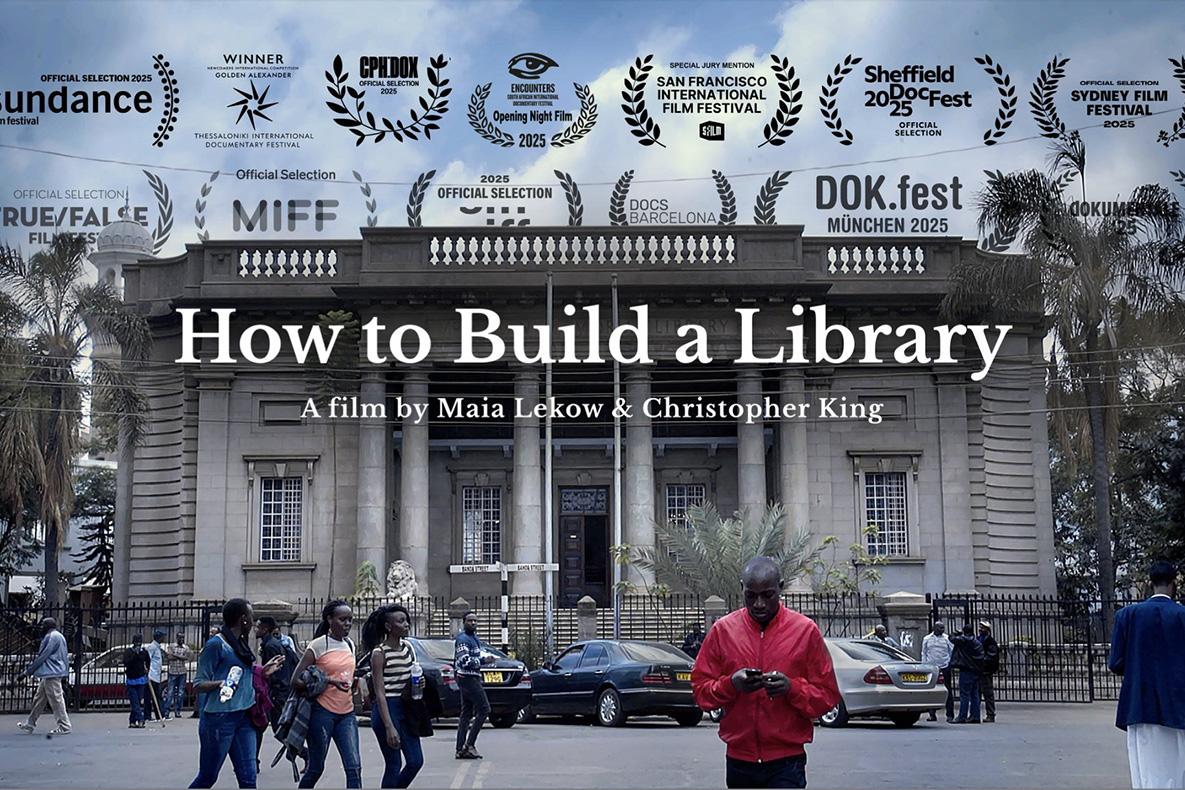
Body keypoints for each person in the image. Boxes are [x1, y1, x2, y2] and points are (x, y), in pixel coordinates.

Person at [692, 557, 841, 788]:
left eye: (767, 595)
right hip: (739, 760)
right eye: (751, 596)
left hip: (787, 761)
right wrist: (731, 684)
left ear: (780, 587)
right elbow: (701, 692)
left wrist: (791, 688)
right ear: (742, 589)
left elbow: (827, 697)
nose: (759, 604)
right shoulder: (723, 630)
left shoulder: (805, 631)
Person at [190, 598, 283, 789]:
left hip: (244, 716)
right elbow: (198, 683)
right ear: (243, 619)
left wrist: (263, 671)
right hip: (219, 719)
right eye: (251, 616)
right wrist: (222, 683)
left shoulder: (240, 643)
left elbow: (243, 672)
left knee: (249, 779)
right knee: (207, 777)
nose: (253, 622)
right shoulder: (216, 645)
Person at [1109, 560, 1185, 788]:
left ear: (1150, 584)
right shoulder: (1181, 615)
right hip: (1179, 704)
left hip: (1140, 703)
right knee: (1178, 768)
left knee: (1146, 771)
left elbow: (1116, 663)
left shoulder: (1127, 615)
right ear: (1173, 584)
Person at [293, 600, 361, 789]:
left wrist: (354, 683)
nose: (348, 624)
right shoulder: (318, 645)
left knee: (354, 768)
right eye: (342, 619)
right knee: (316, 768)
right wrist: (329, 681)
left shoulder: (350, 644)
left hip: (347, 713)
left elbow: (347, 673)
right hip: (322, 712)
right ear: (330, 620)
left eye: (350, 619)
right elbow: (295, 680)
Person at [362, 604, 426, 788]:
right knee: (393, 764)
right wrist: (389, 726)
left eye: (406, 620)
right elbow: (380, 692)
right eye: (401, 621)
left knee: (415, 761)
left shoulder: (408, 648)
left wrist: (419, 682)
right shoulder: (379, 653)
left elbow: (409, 676)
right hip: (387, 709)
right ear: (389, 626)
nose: (406, 624)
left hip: (406, 707)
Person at [16, 617, 72, 735]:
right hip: (53, 672)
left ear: (48, 626)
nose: (41, 627)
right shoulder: (59, 636)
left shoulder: (51, 637)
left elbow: (43, 656)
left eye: (43, 625)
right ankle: (30, 723)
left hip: (51, 672)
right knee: (39, 699)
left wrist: (27, 672)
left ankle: (64, 726)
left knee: (56, 700)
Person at [254, 617, 297, 765]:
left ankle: (304, 753)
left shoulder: (270, 646)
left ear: (265, 629)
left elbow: (274, 671)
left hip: (275, 693)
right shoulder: (271, 644)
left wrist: (270, 690)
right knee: (259, 726)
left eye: (258, 627)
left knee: (277, 729)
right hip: (276, 691)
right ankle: (254, 761)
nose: (255, 629)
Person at [454, 611, 495, 760]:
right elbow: (464, 661)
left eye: (475, 621)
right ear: (464, 622)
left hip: (472, 677)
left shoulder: (474, 639)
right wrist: (483, 661)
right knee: (484, 709)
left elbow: (476, 656)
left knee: (466, 713)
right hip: (468, 678)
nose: (473, 623)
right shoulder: (463, 639)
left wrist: (486, 659)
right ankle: (469, 745)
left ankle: (460, 748)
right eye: (470, 621)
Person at [950, 623, 985, 724]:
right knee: (974, 694)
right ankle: (975, 716)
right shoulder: (977, 642)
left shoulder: (964, 640)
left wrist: (956, 633)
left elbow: (951, 638)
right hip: (976, 671)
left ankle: (962, 716)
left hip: (966, 670)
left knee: (964, 694)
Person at [921, 621, 954, 722]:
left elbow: (951, 651)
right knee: (931, 691)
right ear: (934, 628)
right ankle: (932, 714)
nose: (942, 630)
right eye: (940, 628)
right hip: (931, 668)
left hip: (944, 667)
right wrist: (924, 665)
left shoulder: (947, 638)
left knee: (947, 690)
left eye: (943, 628)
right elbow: (924, 652)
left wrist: (949, 663)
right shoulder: (927, 639)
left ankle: (950, 715)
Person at [123, 634, 150, 729]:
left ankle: (132, 721)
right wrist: (134, 654)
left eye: (139, 643)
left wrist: (147, 669)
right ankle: (140, 719)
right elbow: (126, 662)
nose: (138, 645)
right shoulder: (128, 652)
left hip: (141, 680)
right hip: (131, 680)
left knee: (137, 702)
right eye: (136, 642)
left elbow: (148, 661)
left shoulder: (144, 652)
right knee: (134, 702)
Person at [165, 632, 193, 719]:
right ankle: (166, 711)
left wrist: (175, 655)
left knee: (180, 693)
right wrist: (181, 657)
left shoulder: (186, 648)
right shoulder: (172, 646)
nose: (181, 639)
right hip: (172, 672)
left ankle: (178, 711)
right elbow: (169, 657)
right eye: (180, 638)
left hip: (182, 672)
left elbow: (188, 658)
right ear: (177, 638)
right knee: (170, 692)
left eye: (183, 638)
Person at [978, 621, 1000, 723]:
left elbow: (991, 656)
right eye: (980, 627)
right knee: (976, 693)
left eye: (982, 628)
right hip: (979, 670)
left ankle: (990, 714)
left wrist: (981, 661)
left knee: (988, 694)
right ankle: (975, 714)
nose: (980, 629)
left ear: (987, 630)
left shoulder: (990, 642)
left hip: (986, 671)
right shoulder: (979, 639)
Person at [145, 629, 166, 720]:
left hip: (156, 675)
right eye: (163, 637)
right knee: (151, 696)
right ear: (159, 637)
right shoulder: (152, 647)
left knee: (156, 697)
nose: (164, 638)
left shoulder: (157, 647)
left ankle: (159, 715)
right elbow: (147, 660)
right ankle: (149, 715)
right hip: (152, 675)